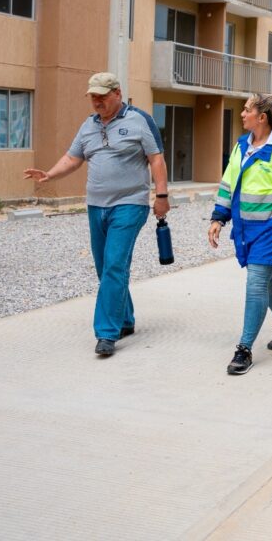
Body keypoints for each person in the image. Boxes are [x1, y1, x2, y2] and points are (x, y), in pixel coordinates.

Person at [23, 72, 169, 356]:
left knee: (115, 263)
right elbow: (73, 158)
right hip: (96, 206)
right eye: (93, 96)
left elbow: (157, 159)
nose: (97, 101)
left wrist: (161, 195)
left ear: (117, 92)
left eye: (102, 95)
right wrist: (49, 175)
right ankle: (125, 319)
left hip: (130, 204)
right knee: (105, 267)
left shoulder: (139, 120)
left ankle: (106, 333)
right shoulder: (88, 126)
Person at [208, 93, 272, 375]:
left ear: (262, 117)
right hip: (246, 230)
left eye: (246, 110)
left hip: (271, 229)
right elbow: (228, 183)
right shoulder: (242, 146)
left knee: (255, 283)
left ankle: (244, 348)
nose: (242, 114)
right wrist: (219, 217)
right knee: (265, 282)